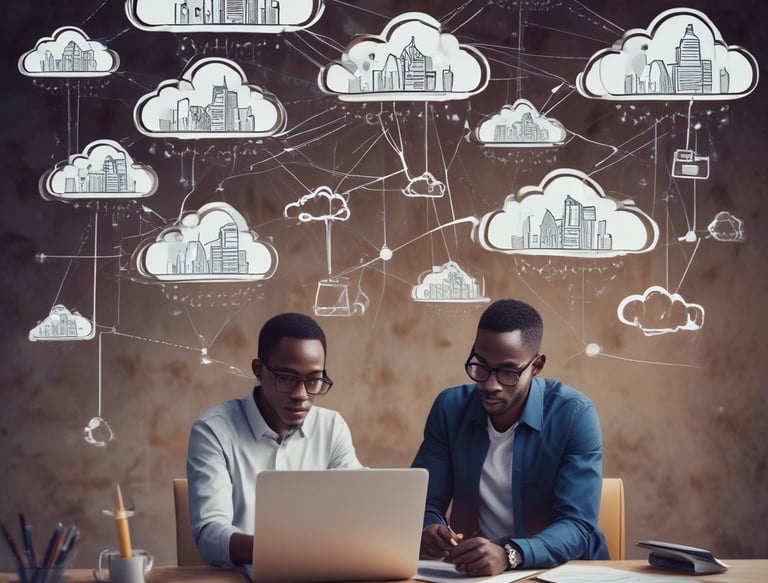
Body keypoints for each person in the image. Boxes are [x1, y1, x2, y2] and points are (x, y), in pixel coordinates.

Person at [411, 299, 609, 575]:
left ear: (536, 366)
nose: (490, 385)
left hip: (563, 571)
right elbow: (425, 501)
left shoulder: (574, 415)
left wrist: (511, 554)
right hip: (475, 571)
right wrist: (431, 528)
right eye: (480, 365)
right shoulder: (449, 408)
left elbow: (577, 524)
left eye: (507, 372)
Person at [187, 312, 362, 569]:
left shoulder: (332, 427)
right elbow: (210, 536)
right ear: (259, 370)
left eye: (314, 379)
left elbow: (359, 503)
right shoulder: (213, 431)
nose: (301, 395)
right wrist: (288, 551)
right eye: (287, 379)